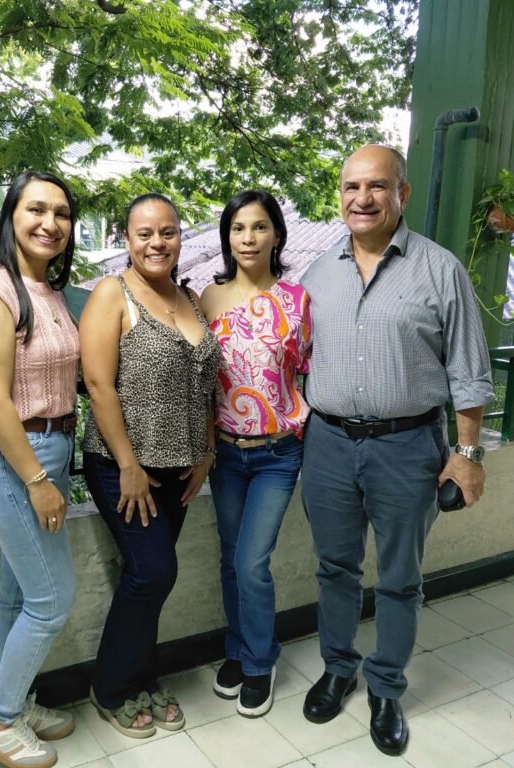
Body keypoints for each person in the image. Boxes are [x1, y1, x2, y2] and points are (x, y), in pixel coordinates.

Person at [299, 145, 494, 756]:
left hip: (408, 446)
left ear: (401, 194)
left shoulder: (440, 270)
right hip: (327, 442)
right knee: (334, 568)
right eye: (352, 186)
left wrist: (467, 453)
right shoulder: (316, 273)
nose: (363, 198)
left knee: (400, 577)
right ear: (340, 195)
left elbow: (469, 372)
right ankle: (338, 668)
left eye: (377, 186)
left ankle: (386, 686)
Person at [80, 193, 221, 738]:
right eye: (144, 233)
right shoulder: (111, 294)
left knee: (150, 579)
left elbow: (206, 382)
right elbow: (98, 385)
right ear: (126, 239)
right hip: (124, 465)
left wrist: (207, 450)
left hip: (182, 464)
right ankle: (111, 687)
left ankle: (142, 676)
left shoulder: (189, 297)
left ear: (179, 236)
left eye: (167, 231)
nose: (156, 242)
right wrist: (129, 465)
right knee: (153, 572)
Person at [0, 171, 80, 768]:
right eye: (36, 209)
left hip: (49, 451)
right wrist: (37, 481)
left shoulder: (46, 290)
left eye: (61, 213)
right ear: (10, 216)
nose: (49, 223)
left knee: (16, 595)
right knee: (53, 599)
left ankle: (17, 700)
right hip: (12, 464)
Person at [200, 191, 311, 718]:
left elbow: (310, 372)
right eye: (238, 227)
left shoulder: (297, 300)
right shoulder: (208, 297)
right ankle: (238, 649)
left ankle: (260, 661)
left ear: (276, 235)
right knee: (229, 560)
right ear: (227, 236)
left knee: (251, 563)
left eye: (259, 226)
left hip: (278, 453)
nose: (247, 237)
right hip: (224, 453)